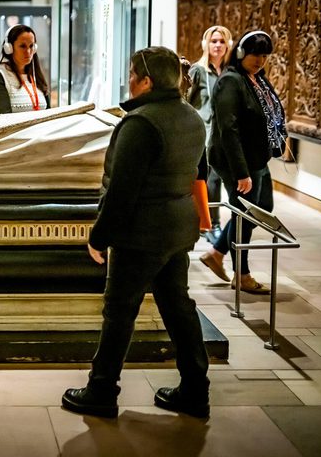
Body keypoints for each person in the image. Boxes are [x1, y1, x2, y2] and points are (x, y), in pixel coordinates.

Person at [61, 47, 210, 419]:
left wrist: (99, 236)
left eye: (132, 73)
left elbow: (121, 191)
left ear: (146, 81)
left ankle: (101, 390)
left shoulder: (141, 124)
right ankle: (195, 389)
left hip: (140, 234)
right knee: (178, 306)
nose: (128, 78)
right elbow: (197, 174)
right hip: (176, 229)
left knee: (119, 311)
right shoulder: (191, 118)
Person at [199, 30, 287, 294]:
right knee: (245, 215)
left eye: (264, 55)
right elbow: (229, 129)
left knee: (261, 209)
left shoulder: (256, 78)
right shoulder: (230, 81)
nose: (260, 60)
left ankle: (216, 253)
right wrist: (241, 173)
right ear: (240, 53)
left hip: (258, 157)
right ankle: (242, 273)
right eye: (254, 55)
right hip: (237, 162)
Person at [188, 25, 233, 244]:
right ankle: (205, 223)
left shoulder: (230, 73)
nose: (218, 45)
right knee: (201, 181)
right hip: (200, 136)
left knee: (215, 181)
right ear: (206, 44)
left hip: (223, 138)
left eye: (222, 41)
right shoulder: (197, 70)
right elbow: (185, 101)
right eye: (214, 41)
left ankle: (211, 224)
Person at [0, 24, 50, 114]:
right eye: (22, 46)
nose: (28, 52)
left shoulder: (36, 76)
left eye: (31, 46)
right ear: (9, 48)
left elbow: (48, 113)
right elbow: (5, 117)